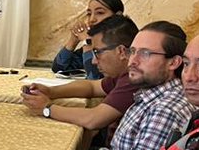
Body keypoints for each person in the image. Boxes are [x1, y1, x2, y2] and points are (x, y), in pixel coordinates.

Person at [68, 21, 194, 150]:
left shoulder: (164, 110)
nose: (132, 61)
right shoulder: (149, 93)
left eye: (145, 54)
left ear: (174, 62)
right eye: (133, 52)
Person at [22, 13, 139, 142]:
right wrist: (50, 91)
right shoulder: (122, 72)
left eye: (97, 52)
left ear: (121, 52)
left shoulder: (134, 78)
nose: (94, 61)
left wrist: (47, 109)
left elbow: (94, 119)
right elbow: (92, 86)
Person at [50, 0, 123, 79]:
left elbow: (94, 78)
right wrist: (73, 41)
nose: (92, 19)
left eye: (100, 13)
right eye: (89, 14)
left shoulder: (122, 45)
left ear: (118, 16)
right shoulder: (96, 43)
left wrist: (87, 43)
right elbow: (58, 69)